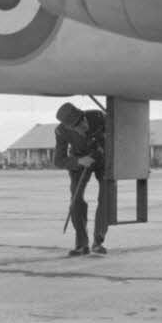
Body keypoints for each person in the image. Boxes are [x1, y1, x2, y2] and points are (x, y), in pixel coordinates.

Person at [54, 102, 108, 256]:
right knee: (76, 200)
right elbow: (59, 160)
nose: (83, 125)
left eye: (82, 119)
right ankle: (81, 244)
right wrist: (79, 161)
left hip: (103, 160)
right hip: (79, 162)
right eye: (77, 125)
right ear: (69, 127)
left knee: (106, 197)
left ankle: (98, 242)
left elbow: (118, 137)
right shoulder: (61, 131)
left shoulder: (98, 116)